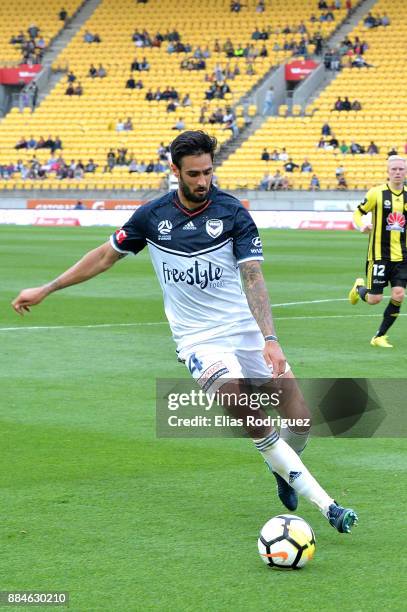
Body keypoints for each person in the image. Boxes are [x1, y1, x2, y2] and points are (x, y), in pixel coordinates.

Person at [11, 130, 357, 535]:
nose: (203, 181)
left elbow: (253, 276)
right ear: (175, 171)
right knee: (243, 406)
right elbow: (105, 256)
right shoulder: (151, 217)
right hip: (198, 340)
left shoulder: (233, 214)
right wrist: (48, 287)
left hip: (245, 331)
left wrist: (270, 339)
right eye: (193, 173)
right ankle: (329, 506)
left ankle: (282, 467)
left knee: (299, 421)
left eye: (208, 172)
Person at [348, 156, 407, 348]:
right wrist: (362, 226)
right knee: (374, 299)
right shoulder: (376, 193)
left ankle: (379, 336)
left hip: (402, 256)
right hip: (379, 255)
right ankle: (358, 289)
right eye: (394, 169)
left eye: (401, 169)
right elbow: (358, 213)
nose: (398, 172)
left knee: (398, 294)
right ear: (388, 172)